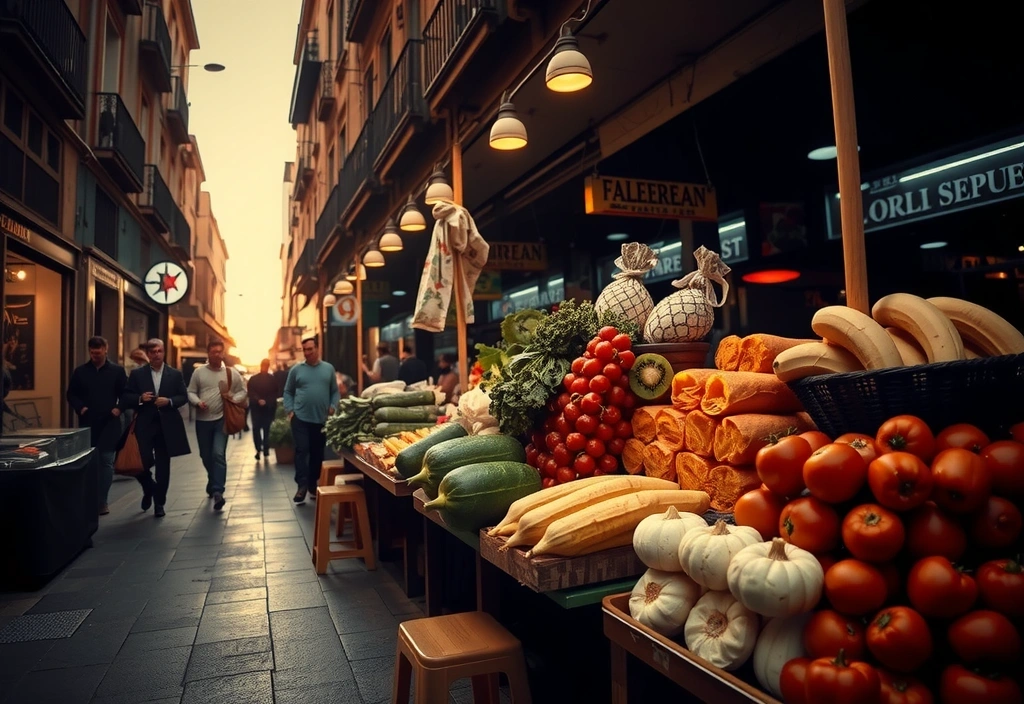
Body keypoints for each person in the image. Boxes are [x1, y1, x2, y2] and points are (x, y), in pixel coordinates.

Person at [121, 339, 190, 518]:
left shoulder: (174, 374)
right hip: (144, 424)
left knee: (163, 466)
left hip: (167, 426)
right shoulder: (138, 374)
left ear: (164, 352)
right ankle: (149, 488)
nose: (156, 354)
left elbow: (183, 396)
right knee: (141, 462)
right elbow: (126, 396)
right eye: (153, 352)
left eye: (159, 351)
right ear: (148, 354)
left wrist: (170, 401)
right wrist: (139, 398)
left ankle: (160, 503)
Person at [65, 336, 125, 516]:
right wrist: (80, 407)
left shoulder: (117, 371)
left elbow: (126, 394)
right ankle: (89, 498)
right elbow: (71, 394)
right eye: (92, 352)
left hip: (110, 422)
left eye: (98, 352)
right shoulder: (80, 372)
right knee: (90, 462)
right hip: (88, 422)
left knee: (106, 461)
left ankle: (102, 502)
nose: (95, 356)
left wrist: (119, 408)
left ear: (106, 350)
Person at [186, 339, 246, 510]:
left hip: (222, 420)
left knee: (218, 454)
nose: (217, 355)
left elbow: (243, 391)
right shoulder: (199, 373)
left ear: (223, 353)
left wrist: (234, 398)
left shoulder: (230, 372)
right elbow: (190, 391)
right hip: (202, 421)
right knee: (205, 456)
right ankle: (213, 481)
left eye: (220, 351)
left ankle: (218, 491)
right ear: (208, 353)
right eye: (214, 352)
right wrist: (197, 402)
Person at [283, 335, 339, 504]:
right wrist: (290, 411)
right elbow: (288, 391)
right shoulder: (296, 370)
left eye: (310, 349)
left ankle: (312, 484)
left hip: (320, 420)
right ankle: (301, 486)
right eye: (304, 349)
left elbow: (335, 391)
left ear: (317, 349)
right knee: (302, 449)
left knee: (317, 453)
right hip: (300, 418)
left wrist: (333, 406)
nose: (307, 353)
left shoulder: (328, 369)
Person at [247, 359, 278, 461]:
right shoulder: (272, 379)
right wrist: (266, 401)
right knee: (266, 428)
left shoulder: (253, 379)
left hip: (257, 408)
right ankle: (265, 448)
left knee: (257, 429)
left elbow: (250, 392)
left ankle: (259, 449)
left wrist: (258, 400)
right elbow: (275, 393)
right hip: (267, 408)